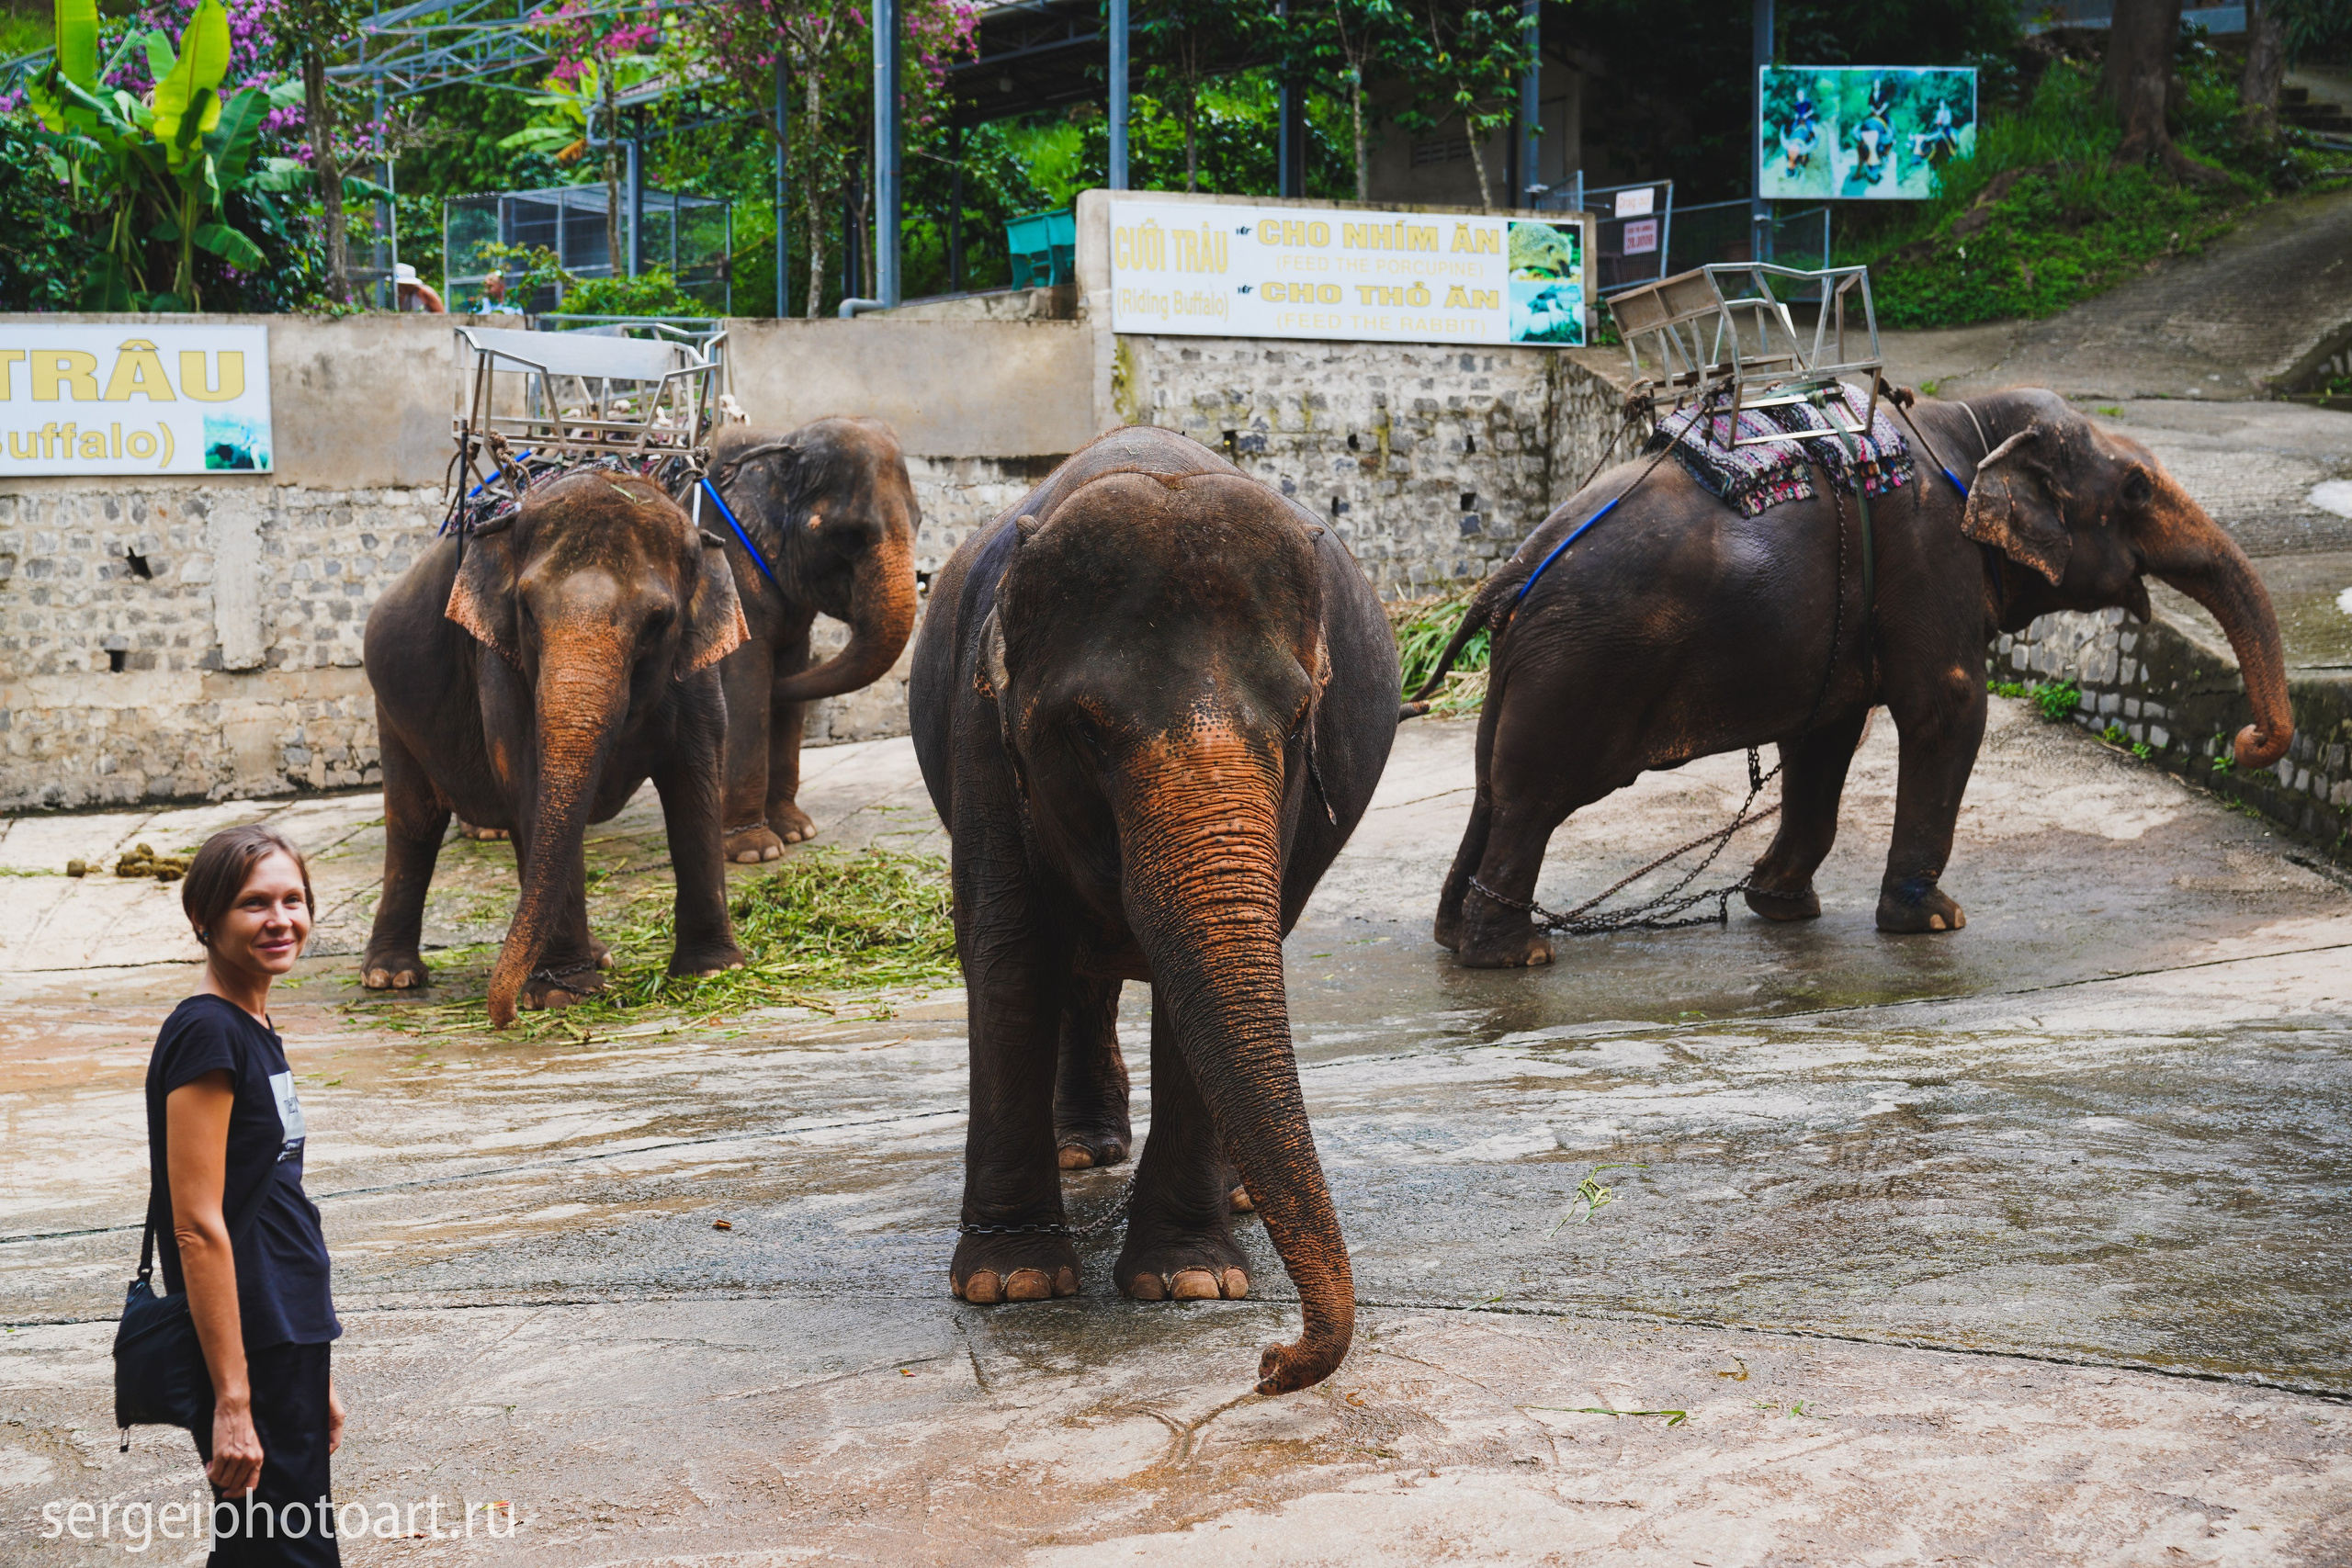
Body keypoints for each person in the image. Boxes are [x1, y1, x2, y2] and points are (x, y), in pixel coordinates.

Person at [148, 825, 344, 1564]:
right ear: (206, 918)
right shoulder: (209, 1034)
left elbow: (272, 1192)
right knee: (286, 1551)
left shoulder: (251, 1022)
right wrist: (234, 1397)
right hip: (253, 1334)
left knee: (267, 1546)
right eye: (253, 903)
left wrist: (314, 1361)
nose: (280, 919)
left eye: (293, 899)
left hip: (285, 1328)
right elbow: (195, 1223)